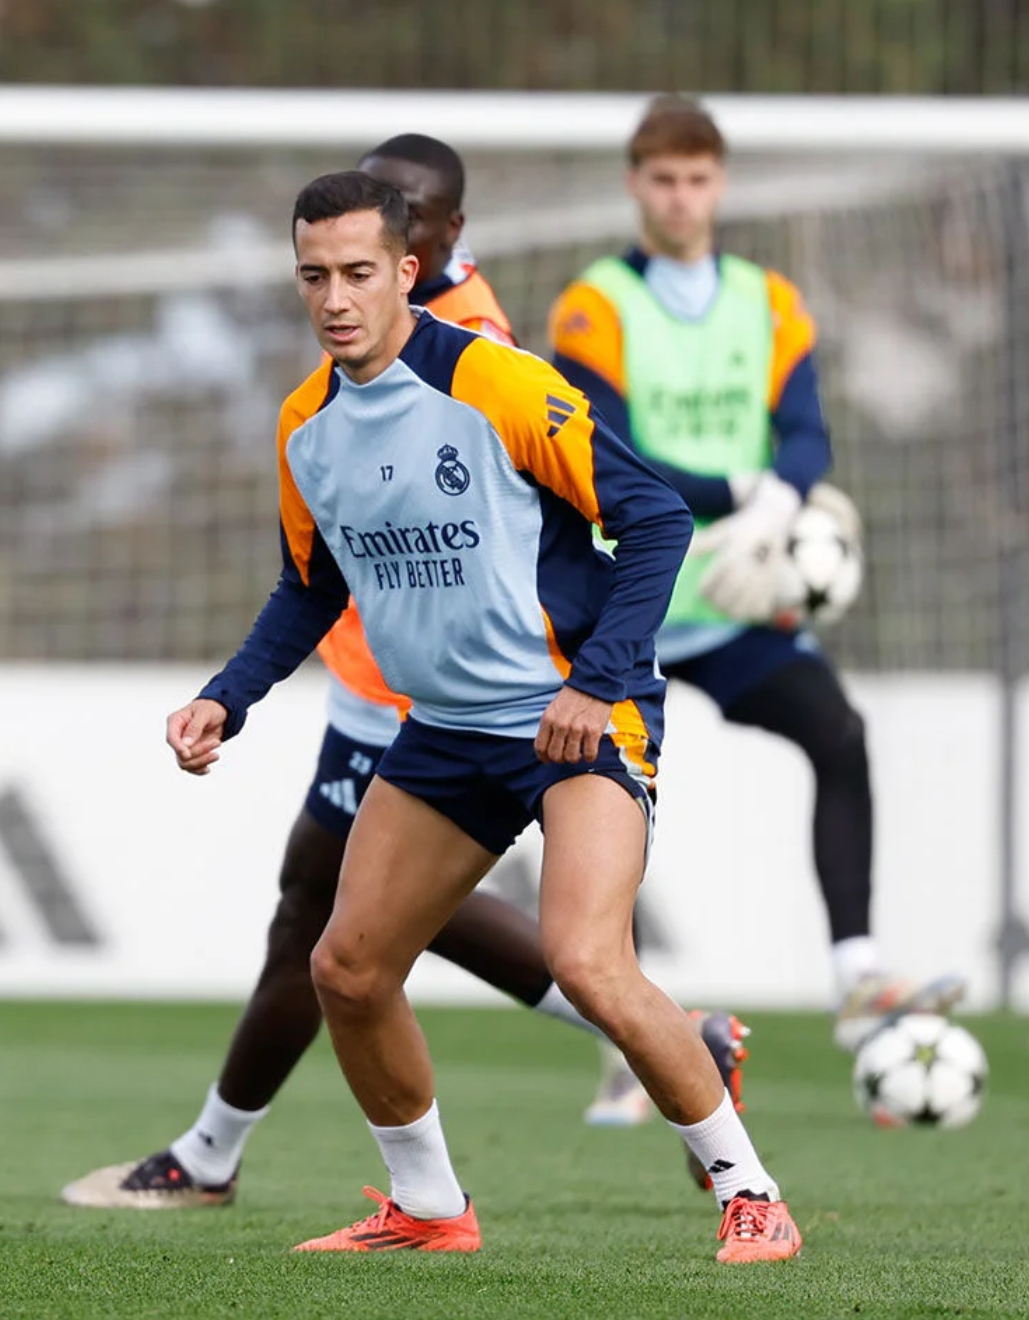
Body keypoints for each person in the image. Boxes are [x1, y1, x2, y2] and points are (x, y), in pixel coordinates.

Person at [61, 136, 743, 1214]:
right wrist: (225, 698)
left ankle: (747, 1186)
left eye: (361, 270)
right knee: (339, 952)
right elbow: (310, 584)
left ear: (418, 260)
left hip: (561, 712)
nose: (335, 296)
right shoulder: (306, 423)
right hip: (435, 719)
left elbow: (652, 516)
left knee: (578, 957)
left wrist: (596, 682)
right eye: (314, 275)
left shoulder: (492, 372)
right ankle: (414, 1206)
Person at [548, 95, 962, 1051]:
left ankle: (858, 973)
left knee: (839, 733)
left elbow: (809, 429)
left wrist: (781, 502)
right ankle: (632, 1026)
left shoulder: (770, 300)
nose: (682, 198)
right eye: (664, 179)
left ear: (720, 184)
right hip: (630, 604)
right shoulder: (593, 304)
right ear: (634, 184)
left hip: (738, 602)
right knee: (599, 795)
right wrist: (744, 490)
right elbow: (611, 448)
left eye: (698, 179)